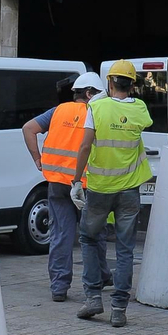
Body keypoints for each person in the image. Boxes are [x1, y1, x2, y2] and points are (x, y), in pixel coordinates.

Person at [76, 59, 153, 327]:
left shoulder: (96, 106)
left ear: (109, 82)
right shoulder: (141, 109)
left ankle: (94, 298)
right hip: (129, 190)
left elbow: (85, 146)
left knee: (88, 238)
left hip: (99, 188)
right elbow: (138, 124)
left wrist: (76, 181)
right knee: (125, 250)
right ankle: (119, 308)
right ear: (132, 85)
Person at [23, 72, 102, 301]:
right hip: (85, 184)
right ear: (89, 94)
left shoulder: (57, 111)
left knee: (60, 234)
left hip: (56, 182)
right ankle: (101, 278)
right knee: (94, 234)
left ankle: (59, 286)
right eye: (97, 95)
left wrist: (37, 159)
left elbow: (28, 128)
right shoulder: (95, 112)